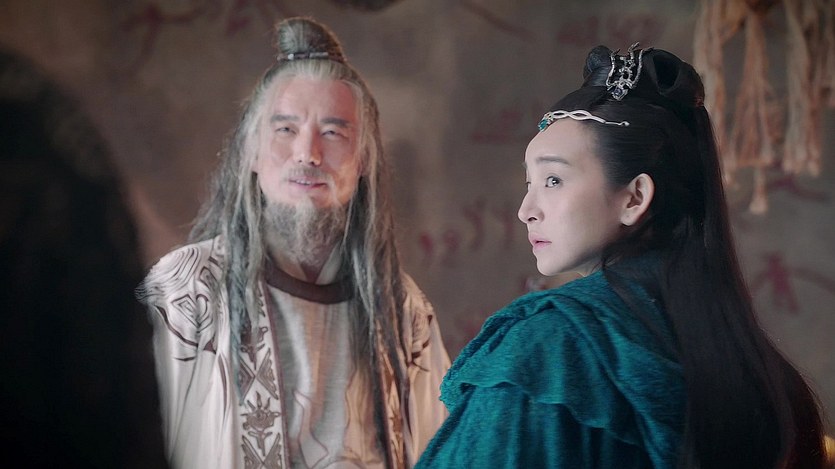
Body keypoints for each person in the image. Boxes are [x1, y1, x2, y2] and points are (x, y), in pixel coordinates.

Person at [415, 44, 828, 468]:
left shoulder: (549, 348)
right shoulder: (768, 378)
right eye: (529, 183)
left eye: (553, 179)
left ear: (634, 197)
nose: (526, 210)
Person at [136, 17, 450, 469]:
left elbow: (443, 453)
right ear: (250, 151)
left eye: (333, 133)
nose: (308, 154)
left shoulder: (402, 311)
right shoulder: (187, 291)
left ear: (364, 160)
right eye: (285, 129)